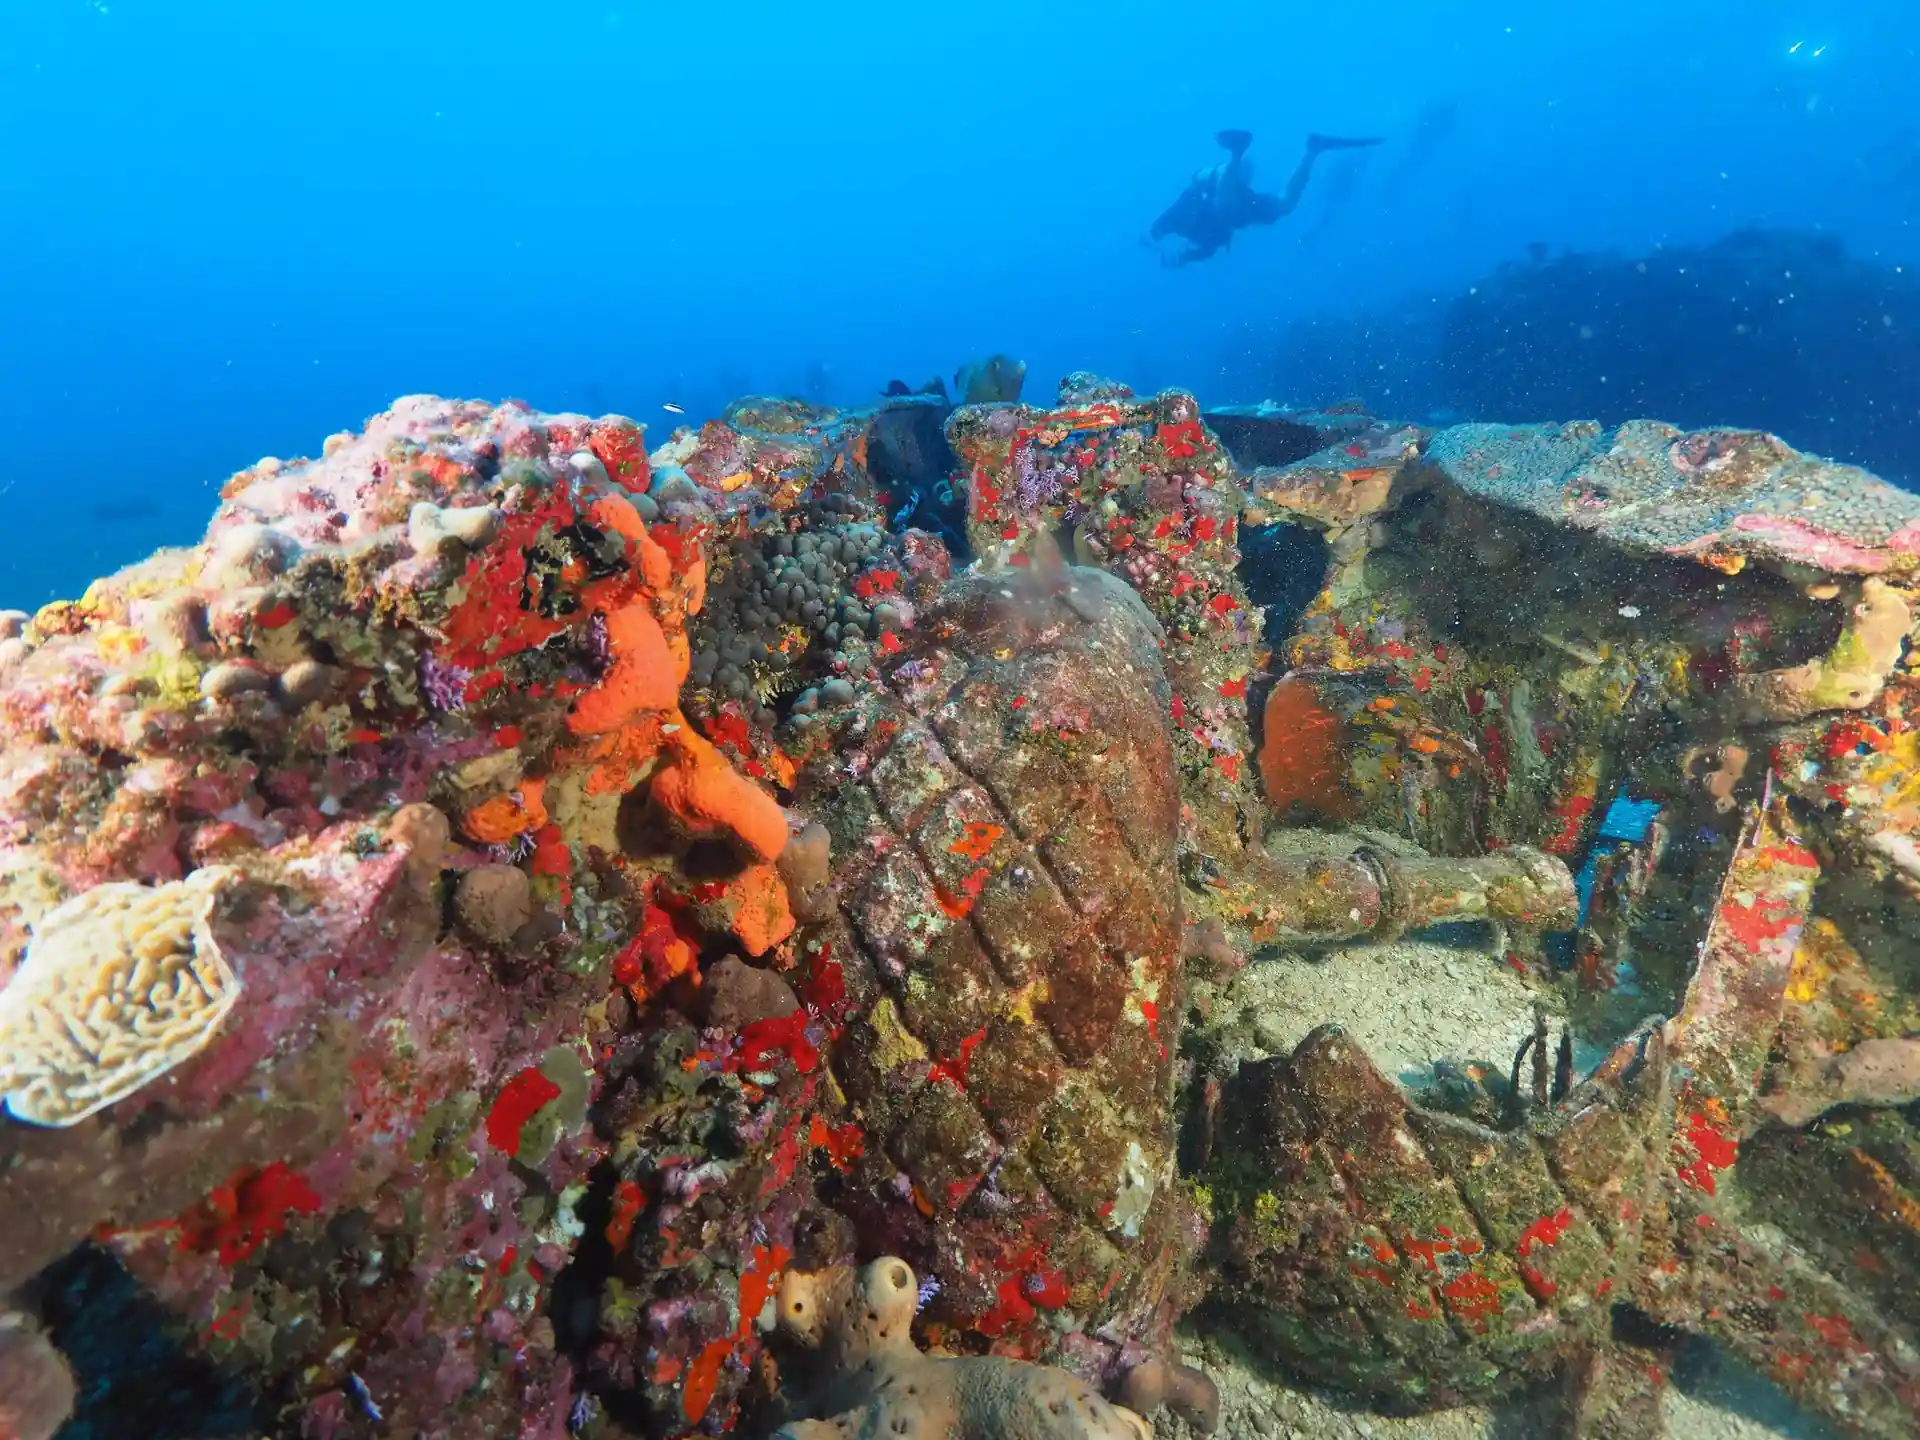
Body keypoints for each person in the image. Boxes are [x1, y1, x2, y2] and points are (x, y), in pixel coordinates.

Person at [1149, 130, 1382, 267]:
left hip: (1219, 197)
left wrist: (1153, 241)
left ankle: (1237, 153)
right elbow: (1199, 249)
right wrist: (1180, 255)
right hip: (1239, 207)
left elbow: (1161, 226)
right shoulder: (1202, 246)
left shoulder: (1178, 221)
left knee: (1224, 205)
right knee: (1285, 205)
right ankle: (1313, 151)